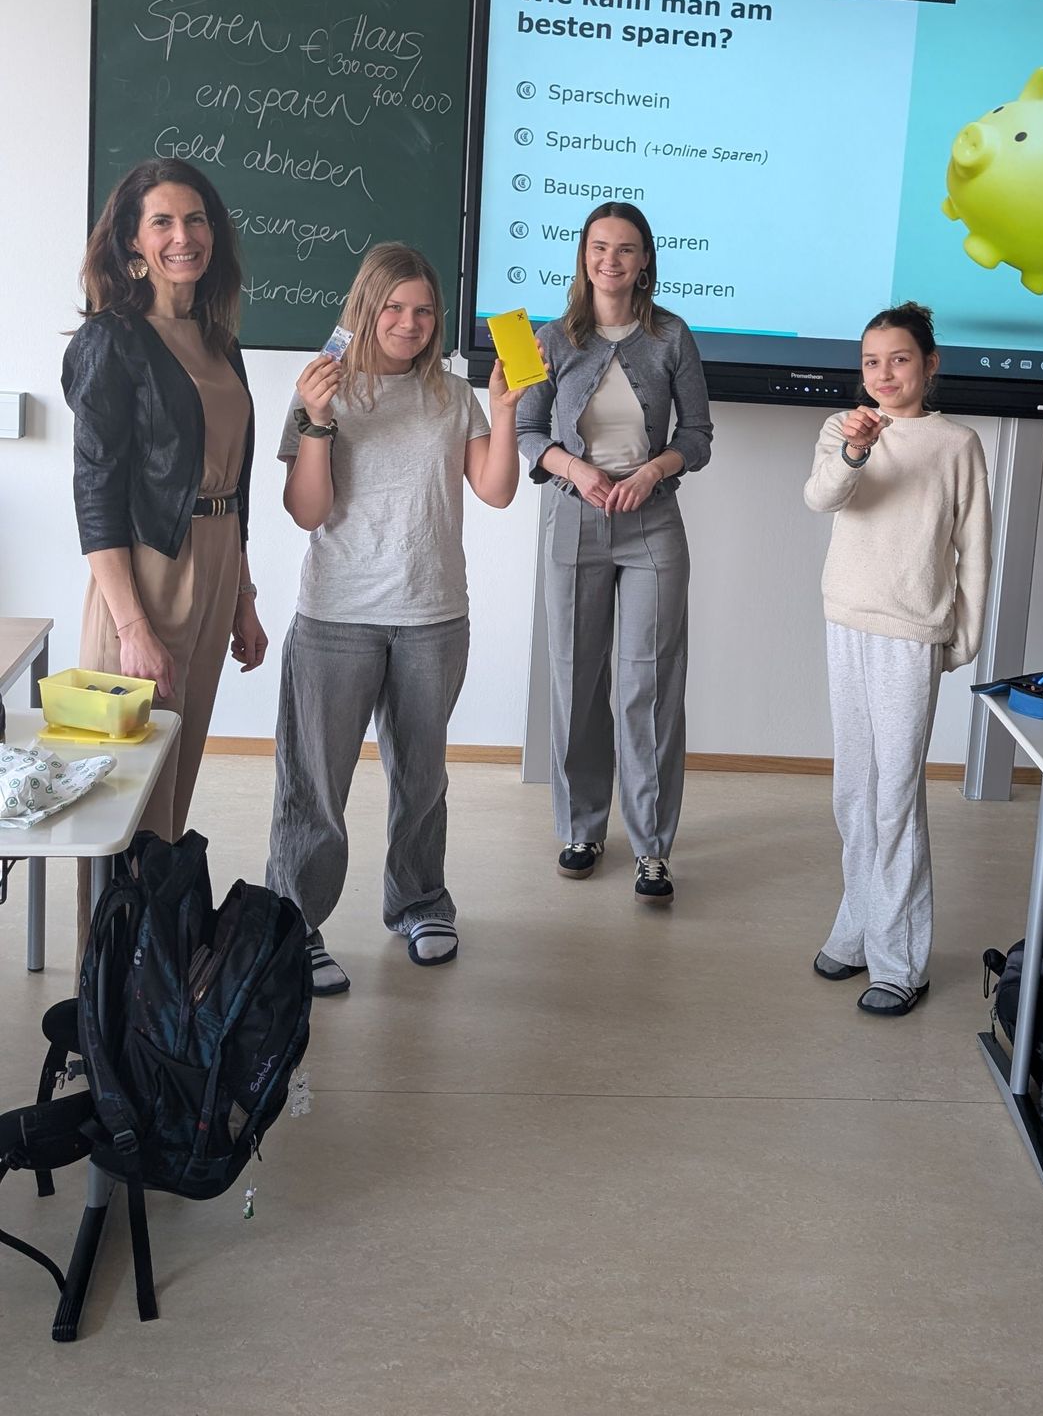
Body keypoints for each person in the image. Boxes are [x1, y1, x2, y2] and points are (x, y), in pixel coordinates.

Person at [266, 243, 524, 993]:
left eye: (424, 311)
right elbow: (306, 510)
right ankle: (293, 926)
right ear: (365, 307)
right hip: (336, 616)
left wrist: (507, 411)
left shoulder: (454, 394)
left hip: (433, 614)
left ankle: (419, 902)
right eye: (394, 308)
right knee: (315, 784)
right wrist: (318, 421)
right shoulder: (322, 389)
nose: (410, 323)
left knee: (422, 778)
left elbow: (497, 490)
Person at [62, 159, 268, 941]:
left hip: (214, 566)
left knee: (171, 788)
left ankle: (155, 967)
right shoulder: (111, 341)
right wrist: (133, 626)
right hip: (145, 574)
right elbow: (95, 495)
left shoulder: (220, 342)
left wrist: (243, 596)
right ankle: (110, 978)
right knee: (126, 798)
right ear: (132, 244)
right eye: (163, 222)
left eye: (196, 219)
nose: (184, 236)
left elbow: (233, 487)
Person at [515, 201, 713, 905]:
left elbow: (698, 436)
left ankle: (653, 848)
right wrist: (577, 469)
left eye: (626, 249)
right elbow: (528, 430)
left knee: (648, 686)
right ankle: (582, 829)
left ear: (645, 260)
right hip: (575, 517)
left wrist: (654, 472)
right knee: (575, 678)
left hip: (651, 520)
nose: (611, 260)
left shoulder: (672, 336)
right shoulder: (549, 339)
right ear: (583, 255)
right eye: (599, 247)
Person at [803, 302, 991, 1016]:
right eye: (871, 362)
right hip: (846, 619)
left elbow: (976, 549)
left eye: (900, 359)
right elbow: (822, 497)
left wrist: (962, 637)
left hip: (912, 631)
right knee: (854, 790)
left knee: (895, 795)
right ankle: (857, 930)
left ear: (929, 365)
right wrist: (856, 449)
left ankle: (900, 962)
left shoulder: (957, 443)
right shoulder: (843, 429)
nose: (884, 374)